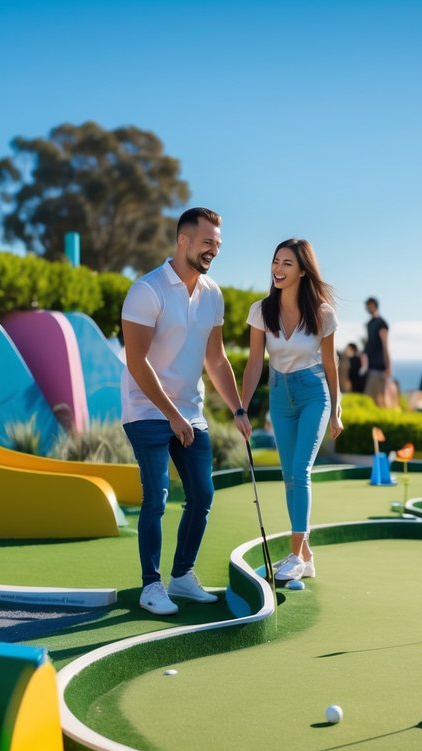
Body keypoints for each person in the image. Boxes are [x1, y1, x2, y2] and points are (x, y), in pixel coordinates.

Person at [121, 207, 252, 616]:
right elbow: (137, 362)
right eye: (207, 241)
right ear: (183, 240)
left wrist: (238, 409)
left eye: (218, 243)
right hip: (145, 408)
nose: (213, 249)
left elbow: (215, 359)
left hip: (189, 410)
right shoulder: (148, 290)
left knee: (202, 494)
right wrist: (170, 414)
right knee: (157, 496)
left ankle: (181, 576)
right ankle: (151, 585)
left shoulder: (213, 293)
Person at [241, 239, 342, 582]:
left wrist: (336, 410)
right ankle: (307, 555)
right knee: (289, 476)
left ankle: (295, 556)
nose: (278, 269)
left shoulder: (323, 313)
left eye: (287, 264)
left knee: (300, 471)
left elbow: (331, 365)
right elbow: (255, 364)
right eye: (276, 262)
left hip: (314, 394)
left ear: (302, 270)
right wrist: (241, 408)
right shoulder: (261, 310)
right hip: (280, 397)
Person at [362, 297, 391, 406]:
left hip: (379, 367)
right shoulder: (369, 323)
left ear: (374, 305)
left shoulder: (381, 323)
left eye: (369, 305)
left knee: (378, 400)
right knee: (372, 400)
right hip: (371, 366)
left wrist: (388, 367)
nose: (367, 308)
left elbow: (385, 345)